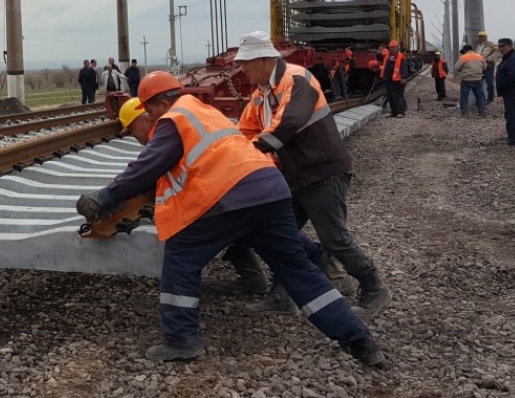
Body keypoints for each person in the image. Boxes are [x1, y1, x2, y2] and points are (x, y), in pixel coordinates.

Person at [76, 71, 385, 366]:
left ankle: (182, 340)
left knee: (182, 257)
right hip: (270, 188)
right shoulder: (204, 111)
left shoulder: (174, 119)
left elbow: (148, 166)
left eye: (151, 110)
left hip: (230, 195)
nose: (153, 117)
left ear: (160, 103)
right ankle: (359, 339)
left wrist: (104, 198)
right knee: (299, 272)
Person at [234, 31, 392, 321]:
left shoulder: (297, 79)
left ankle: (374, 288)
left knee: (335, 240)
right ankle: (282, 295)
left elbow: (288, 122)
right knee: (280, 237)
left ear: (264, 59)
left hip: (322, 173)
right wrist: (229, 153)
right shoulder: (260, 95)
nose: (243, 69)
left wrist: (252, 150)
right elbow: (244, 132)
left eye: (246, 63)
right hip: (293, 177)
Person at [495, 38, 515, 145]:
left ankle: (514, 140)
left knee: (511, 115)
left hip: (512, 91)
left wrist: (502, 85)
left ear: (510, 46)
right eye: (499, 46)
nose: (501, 48)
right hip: (511, 91)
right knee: (514, 115)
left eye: (503, 46)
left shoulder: (512, 58)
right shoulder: (509, 57)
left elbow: (513, 76)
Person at [377, 40, 409, 118]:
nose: (392, 49)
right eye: (391, 48)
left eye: (394, 48)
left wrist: (404, 77)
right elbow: (386, 67)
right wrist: (384, 77)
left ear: (397, 48)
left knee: (397, 96)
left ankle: (401, 112)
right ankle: (394, 112)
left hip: (397, 80)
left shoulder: (401, 57)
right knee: (390, 96)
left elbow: (404, 67)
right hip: (389, 80)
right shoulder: (388, 57)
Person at [455, 44, 487, 117]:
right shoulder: (479, 56)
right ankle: (482, 113)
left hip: (466, 79)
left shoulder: (463, 57)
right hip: (477, 79)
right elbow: (485, 67)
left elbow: (457, 68)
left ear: (465, 50)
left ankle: (464, 113)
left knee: (464, 96)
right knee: (479, 96)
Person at [475, 31, 501, 103]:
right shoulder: (478, 46)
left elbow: (497, 51)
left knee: (489, 82)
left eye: (482, 36)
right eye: (480, 36)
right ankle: (481, 99)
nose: (480, 37)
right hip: (480, 66)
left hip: (488, 65)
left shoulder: (490, 44)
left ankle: (490, 98)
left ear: (485, 37)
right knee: (478, 83)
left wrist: (489, 59)